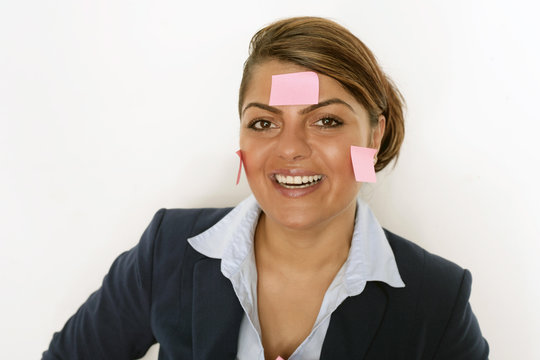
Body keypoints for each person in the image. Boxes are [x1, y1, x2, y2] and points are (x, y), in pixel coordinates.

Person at [43, 16, 489, 360]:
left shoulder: (437, 300)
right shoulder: (168, 251)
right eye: (263, 122)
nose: (290, 149)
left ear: (373, 137)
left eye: (326, 120)